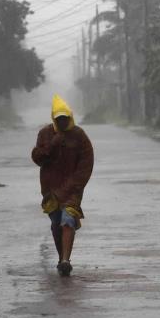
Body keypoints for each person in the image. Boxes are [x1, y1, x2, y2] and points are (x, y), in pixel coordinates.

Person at [31, 95, 94, 277]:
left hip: (72, 190)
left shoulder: (79, 136)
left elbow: (86, 165)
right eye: (59, 119)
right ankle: (61, 258)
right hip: (51, 190)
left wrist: (73, 186)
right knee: (56, 224)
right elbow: (37, 158)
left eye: (65, 118)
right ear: (53, 118)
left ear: (70, 117)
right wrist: (52, 145)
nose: (62, 121)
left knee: (68, 220)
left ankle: (66, 260)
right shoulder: (45, 134)